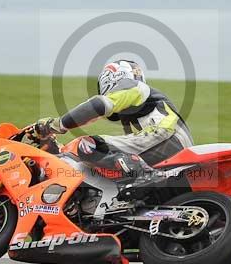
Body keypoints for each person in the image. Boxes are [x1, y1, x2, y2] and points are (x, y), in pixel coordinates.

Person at [32, 60, 194, 179]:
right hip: (171, 141)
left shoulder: (133, 87)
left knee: (88, 145)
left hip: (168, 136)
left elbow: (98, 106)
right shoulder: (137, 106)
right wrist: (57, 151)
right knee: (100, 160)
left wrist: (56, 125)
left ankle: (143, 174)